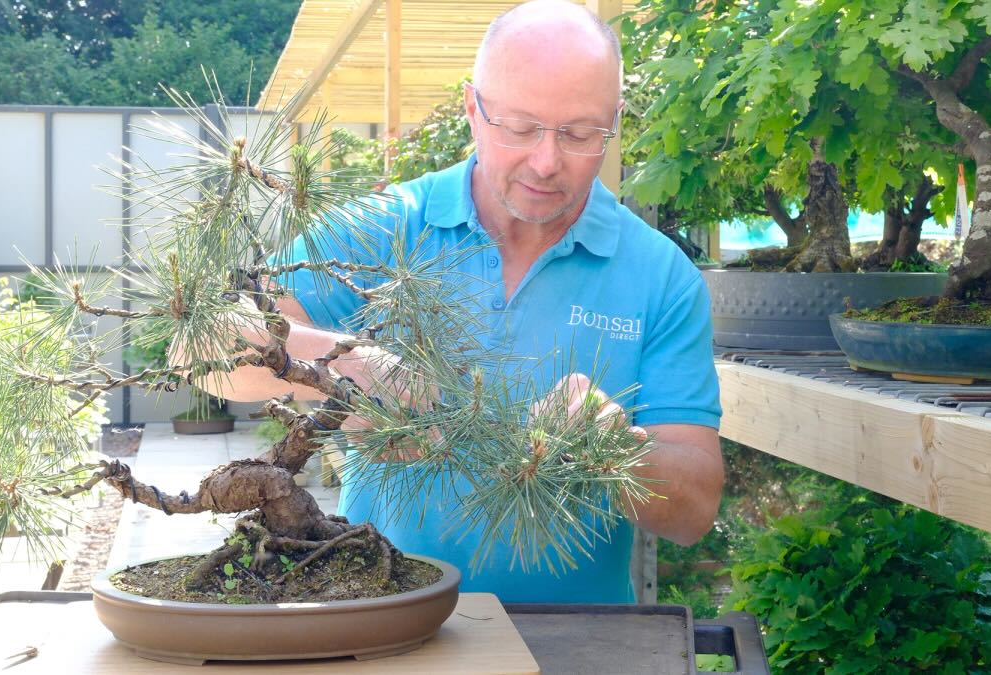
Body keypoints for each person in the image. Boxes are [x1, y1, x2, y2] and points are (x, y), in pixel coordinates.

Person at [212, 0, 723, 603]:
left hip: (578, 642)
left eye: (580, 133)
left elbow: (693, 512)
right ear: (472, 110)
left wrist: (609, 450)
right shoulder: (386, 227)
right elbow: (212, 346)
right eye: (521, 127)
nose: (546, 160)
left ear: (613, 122)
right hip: (384, 620)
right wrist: (349, 366)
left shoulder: (660, 276)